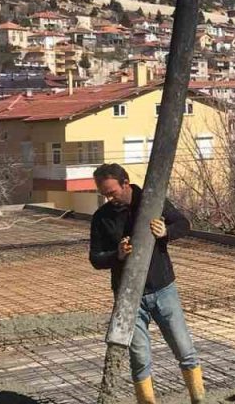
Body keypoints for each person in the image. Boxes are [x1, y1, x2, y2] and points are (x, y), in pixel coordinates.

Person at [88, 163, 204, 404]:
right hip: (129, 296)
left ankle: (199, 399)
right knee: (139, 358)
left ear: (126, 184)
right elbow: (95, 258)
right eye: (104, 194)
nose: (109, 198)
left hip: (162, 288)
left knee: (185, 350)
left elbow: (183, 224)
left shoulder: (151, 201)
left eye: (112, 192)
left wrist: (165, 232)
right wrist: (117, 254)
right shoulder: (102, 218)